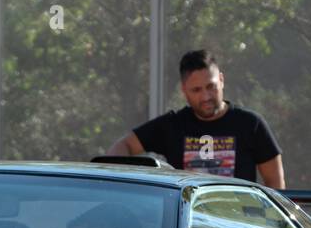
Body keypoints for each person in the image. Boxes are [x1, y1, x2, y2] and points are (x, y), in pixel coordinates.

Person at [107, 49, 285, 188]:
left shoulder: (250, 124)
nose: (206, 96)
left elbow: (276, 184)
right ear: (184, 90)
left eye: (211, 87)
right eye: (196, 90)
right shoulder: (173, 125)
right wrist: (124, 187)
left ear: (222, 80)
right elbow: (124, 146)